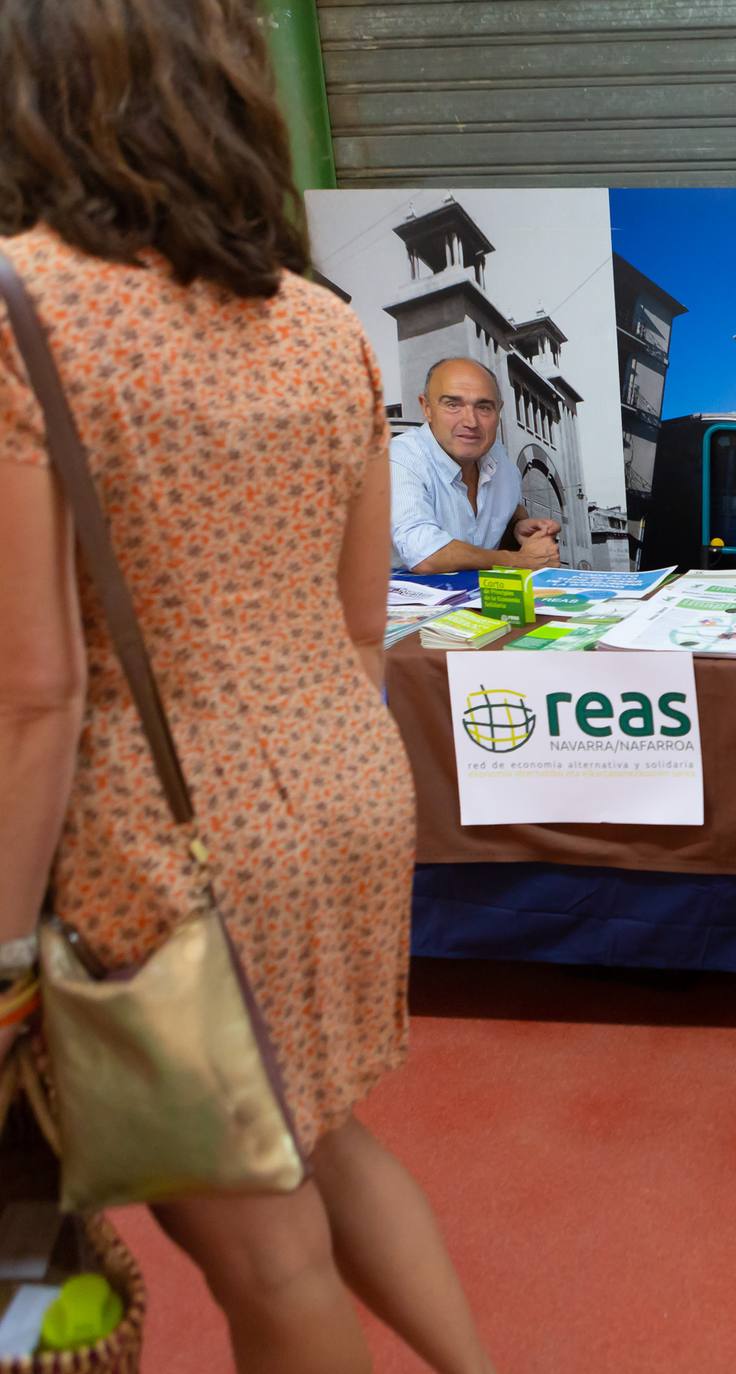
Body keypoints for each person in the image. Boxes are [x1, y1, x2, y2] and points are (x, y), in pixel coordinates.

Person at [0, 3, 494, 1370]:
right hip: (338, 790)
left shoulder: (23, 309)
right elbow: (358, 620)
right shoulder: (325, 325)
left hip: (153, 844)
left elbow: (34, 695)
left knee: (262, 1245)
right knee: (321, 1144)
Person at [389, 356, 561, 573]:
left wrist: (519, 529)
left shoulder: (499, 459)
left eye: (484, 407)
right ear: (427, 408)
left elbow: (506, 510)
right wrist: (519, 560)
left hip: (475, 601)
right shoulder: (399, 459)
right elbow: (426, 554)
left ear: (498, 411)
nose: (470, 422)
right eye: (453, 405)